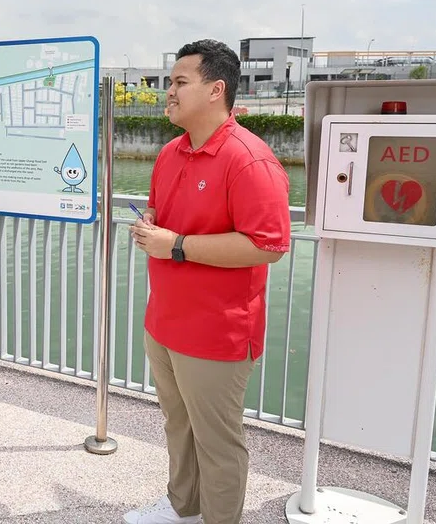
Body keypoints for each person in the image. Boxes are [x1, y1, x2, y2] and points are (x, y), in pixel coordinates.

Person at [125, 40, 291, 524]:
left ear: (216, 90)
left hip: (216, 333)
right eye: (169, 82)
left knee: (217, 443)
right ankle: (183, 508)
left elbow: (269, 246)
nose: (168, 92)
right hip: (165, 322)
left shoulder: (249, 160)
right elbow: (167, 215)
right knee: (178, 425)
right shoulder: (171, 153)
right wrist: (154, 225)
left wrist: (175, 244)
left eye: (180, 82)